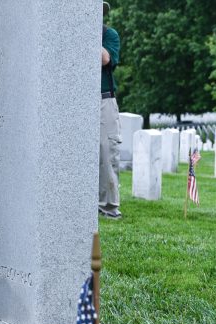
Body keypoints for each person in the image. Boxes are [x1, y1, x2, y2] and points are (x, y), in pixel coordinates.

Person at [99, 2, 122, 219]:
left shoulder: (109, 35)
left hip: (103, 99)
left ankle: (109, 207)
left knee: (106, 151)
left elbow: (105, 58)